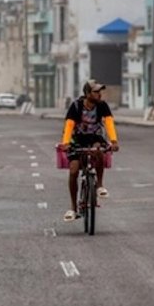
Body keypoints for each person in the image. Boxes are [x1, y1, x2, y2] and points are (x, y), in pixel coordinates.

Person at [59, 79, 119, 222]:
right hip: (77, 138)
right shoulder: (76, 106)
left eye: (100, 91)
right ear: (87, 93)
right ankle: (73, 208)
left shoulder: (102, 105)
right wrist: (66, 143)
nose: (99, 94)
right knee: (73, 170)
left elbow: (109, 122)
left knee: (98, 150)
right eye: (96, 92)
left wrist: (114, 141)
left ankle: (99, 185)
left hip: (95, 136)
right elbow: (69, 125)